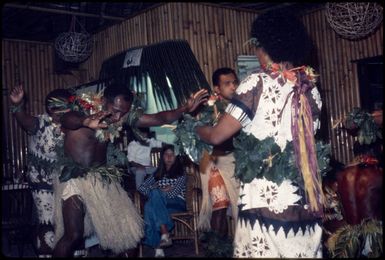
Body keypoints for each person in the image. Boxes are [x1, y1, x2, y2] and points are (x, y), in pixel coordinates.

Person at [195, 10, 325, 258]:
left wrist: (193, 126)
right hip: (304, 194)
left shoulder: (256, 82)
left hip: (264, 195)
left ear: (264, 46)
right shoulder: (311, 88)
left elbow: (216, 136)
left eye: (256, 45)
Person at [52, 82, 208, 257]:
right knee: (73, 234)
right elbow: (68, 119)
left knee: (130, 234)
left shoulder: (120, 117)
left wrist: (184, 109)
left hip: (102, 178)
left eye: (123, 112)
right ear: (103, 101)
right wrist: (86, 121)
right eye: (115, 110)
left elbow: (159, 119)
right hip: (74, 178)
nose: (118, 117)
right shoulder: (82, 110)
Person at [9, 85, 72, 257]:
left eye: (66, 106)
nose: (61, 111)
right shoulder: (40, 123)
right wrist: (18, 105)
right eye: (56, 107)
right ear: (50, 108)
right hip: (41, 180)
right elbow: (23, 119)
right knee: (47, 220)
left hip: (65, 178)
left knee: (68, 221)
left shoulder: (72, 125)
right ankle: (45, 254)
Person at [198, 67, 240, 241]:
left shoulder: (241, 107)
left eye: (235, 83)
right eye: (227, 84)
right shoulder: (209, 109)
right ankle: (216, 250)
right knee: (219, 204)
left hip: (235, 162)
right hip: (213, 161)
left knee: (239, 207)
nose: (233, 87)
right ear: (216, 88)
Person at [137, 144, 187, 257]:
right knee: (151, 205)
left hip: (177, 203)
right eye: (166, 154)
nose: (169, 157)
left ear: (176, 157)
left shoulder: (181, 173)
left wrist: (157, 191)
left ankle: (158, 246)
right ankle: (163, 237)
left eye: (172, 154)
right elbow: (141, 188)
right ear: (162, 157)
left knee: (149, 205)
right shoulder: (157, 174)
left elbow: (174, 193)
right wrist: (159, 191)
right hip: (161, 204)